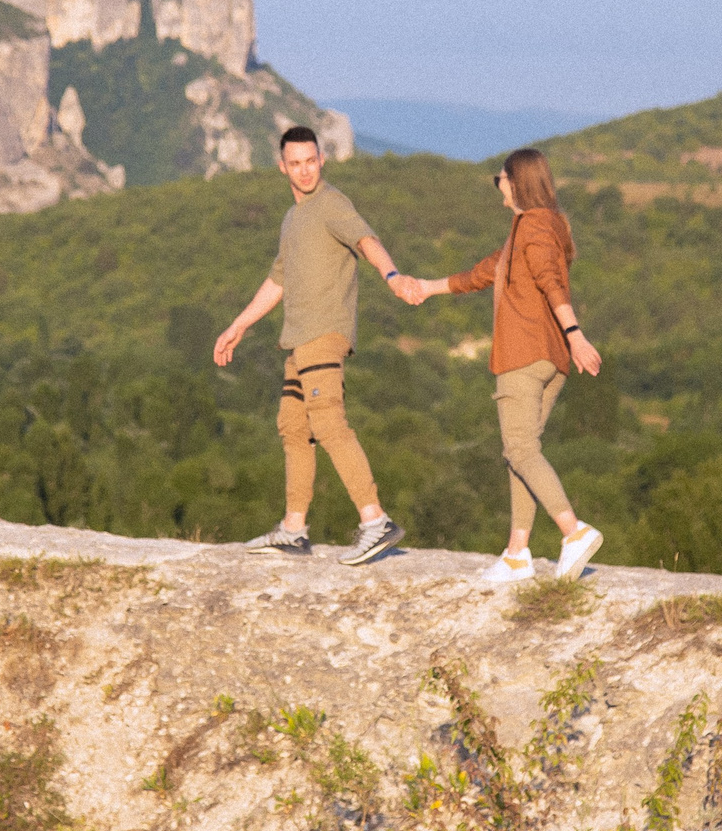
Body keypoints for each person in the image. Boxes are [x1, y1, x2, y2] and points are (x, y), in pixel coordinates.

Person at [393, 148, 604, 581]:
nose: (498, 187)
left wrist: (576, 333)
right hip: (551, 362)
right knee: (521, 453)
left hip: (524, 355)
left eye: (500, 179)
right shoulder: (539, 228)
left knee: (521, 449)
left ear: (515, 181)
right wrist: (426, 288)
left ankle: (573, 530)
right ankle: (516, 554)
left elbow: (549, 281)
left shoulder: (532, 225)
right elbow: (484, 273)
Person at [214, 126, 409, 565]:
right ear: (282, 167)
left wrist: (392, 275)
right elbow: (278, 280)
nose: (304, 170)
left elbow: (366, 240)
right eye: (295, 163)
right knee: (293, 426)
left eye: (311, 161)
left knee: (328, 422)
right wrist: (239, 325)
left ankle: (375, 520)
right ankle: (294, 528)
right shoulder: (292, 218)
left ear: (322, 160)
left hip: (325, 333)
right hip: (299, 340)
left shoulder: (331, 203)